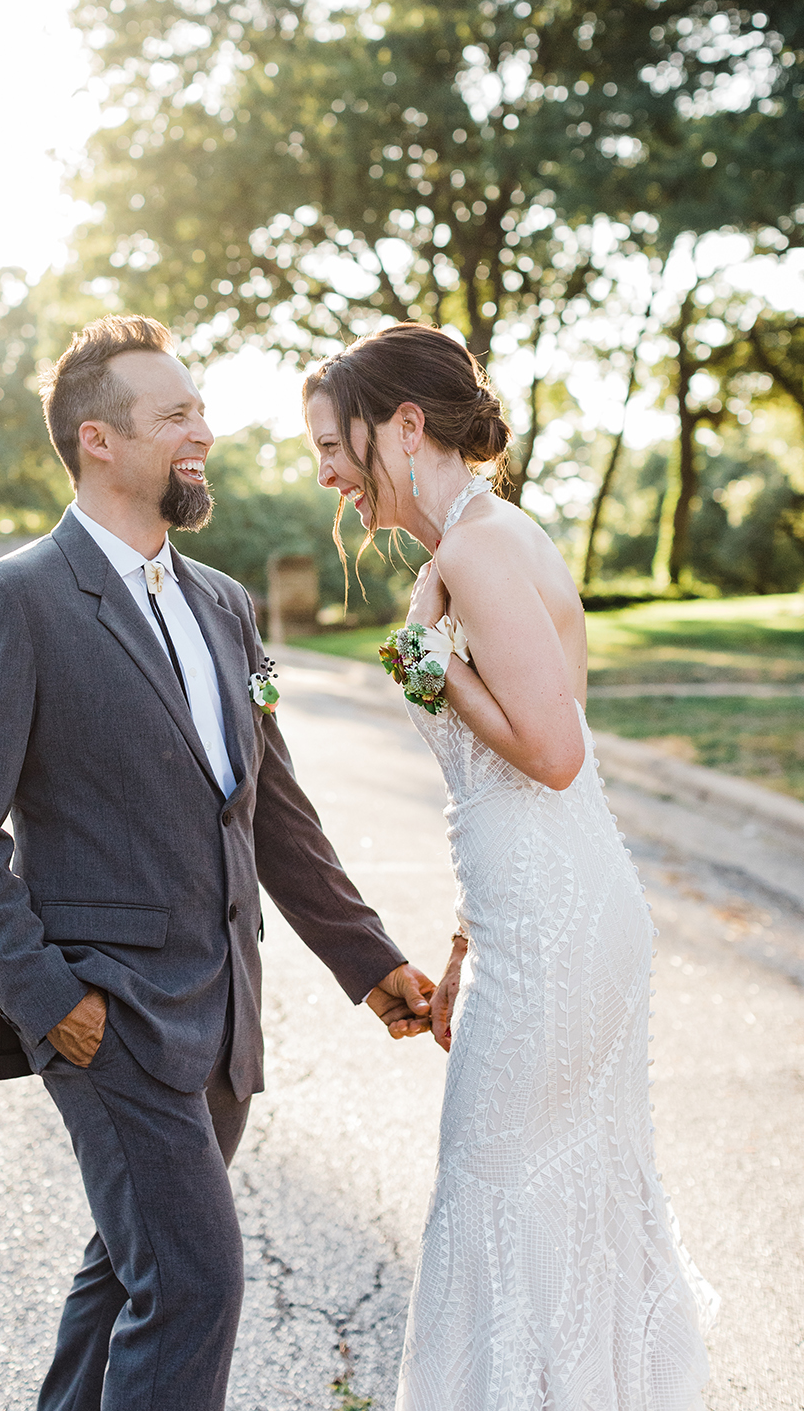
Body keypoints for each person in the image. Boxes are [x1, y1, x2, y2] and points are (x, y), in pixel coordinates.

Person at [0, 313, 435, 1411]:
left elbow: (273, 812)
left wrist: (369, 961)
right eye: (177, 415)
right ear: (99, 441)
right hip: (107, 1020)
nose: (204, 430)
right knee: (195, 1282)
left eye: (200, 408)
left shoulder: (225, 606)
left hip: (223, 1016)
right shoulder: (12, 603)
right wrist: (52, 1001)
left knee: (129, 1275)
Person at [304, 322, 718, 1411]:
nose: (327, 474)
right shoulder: (479, 542)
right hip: (541, 912)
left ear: (403, 423)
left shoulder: (477, 547)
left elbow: (555, 750)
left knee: (494, 1192)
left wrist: (435, 676)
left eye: (331, 444)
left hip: (560, 928)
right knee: (553, 1196)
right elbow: (506, 798)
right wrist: (461, 944)